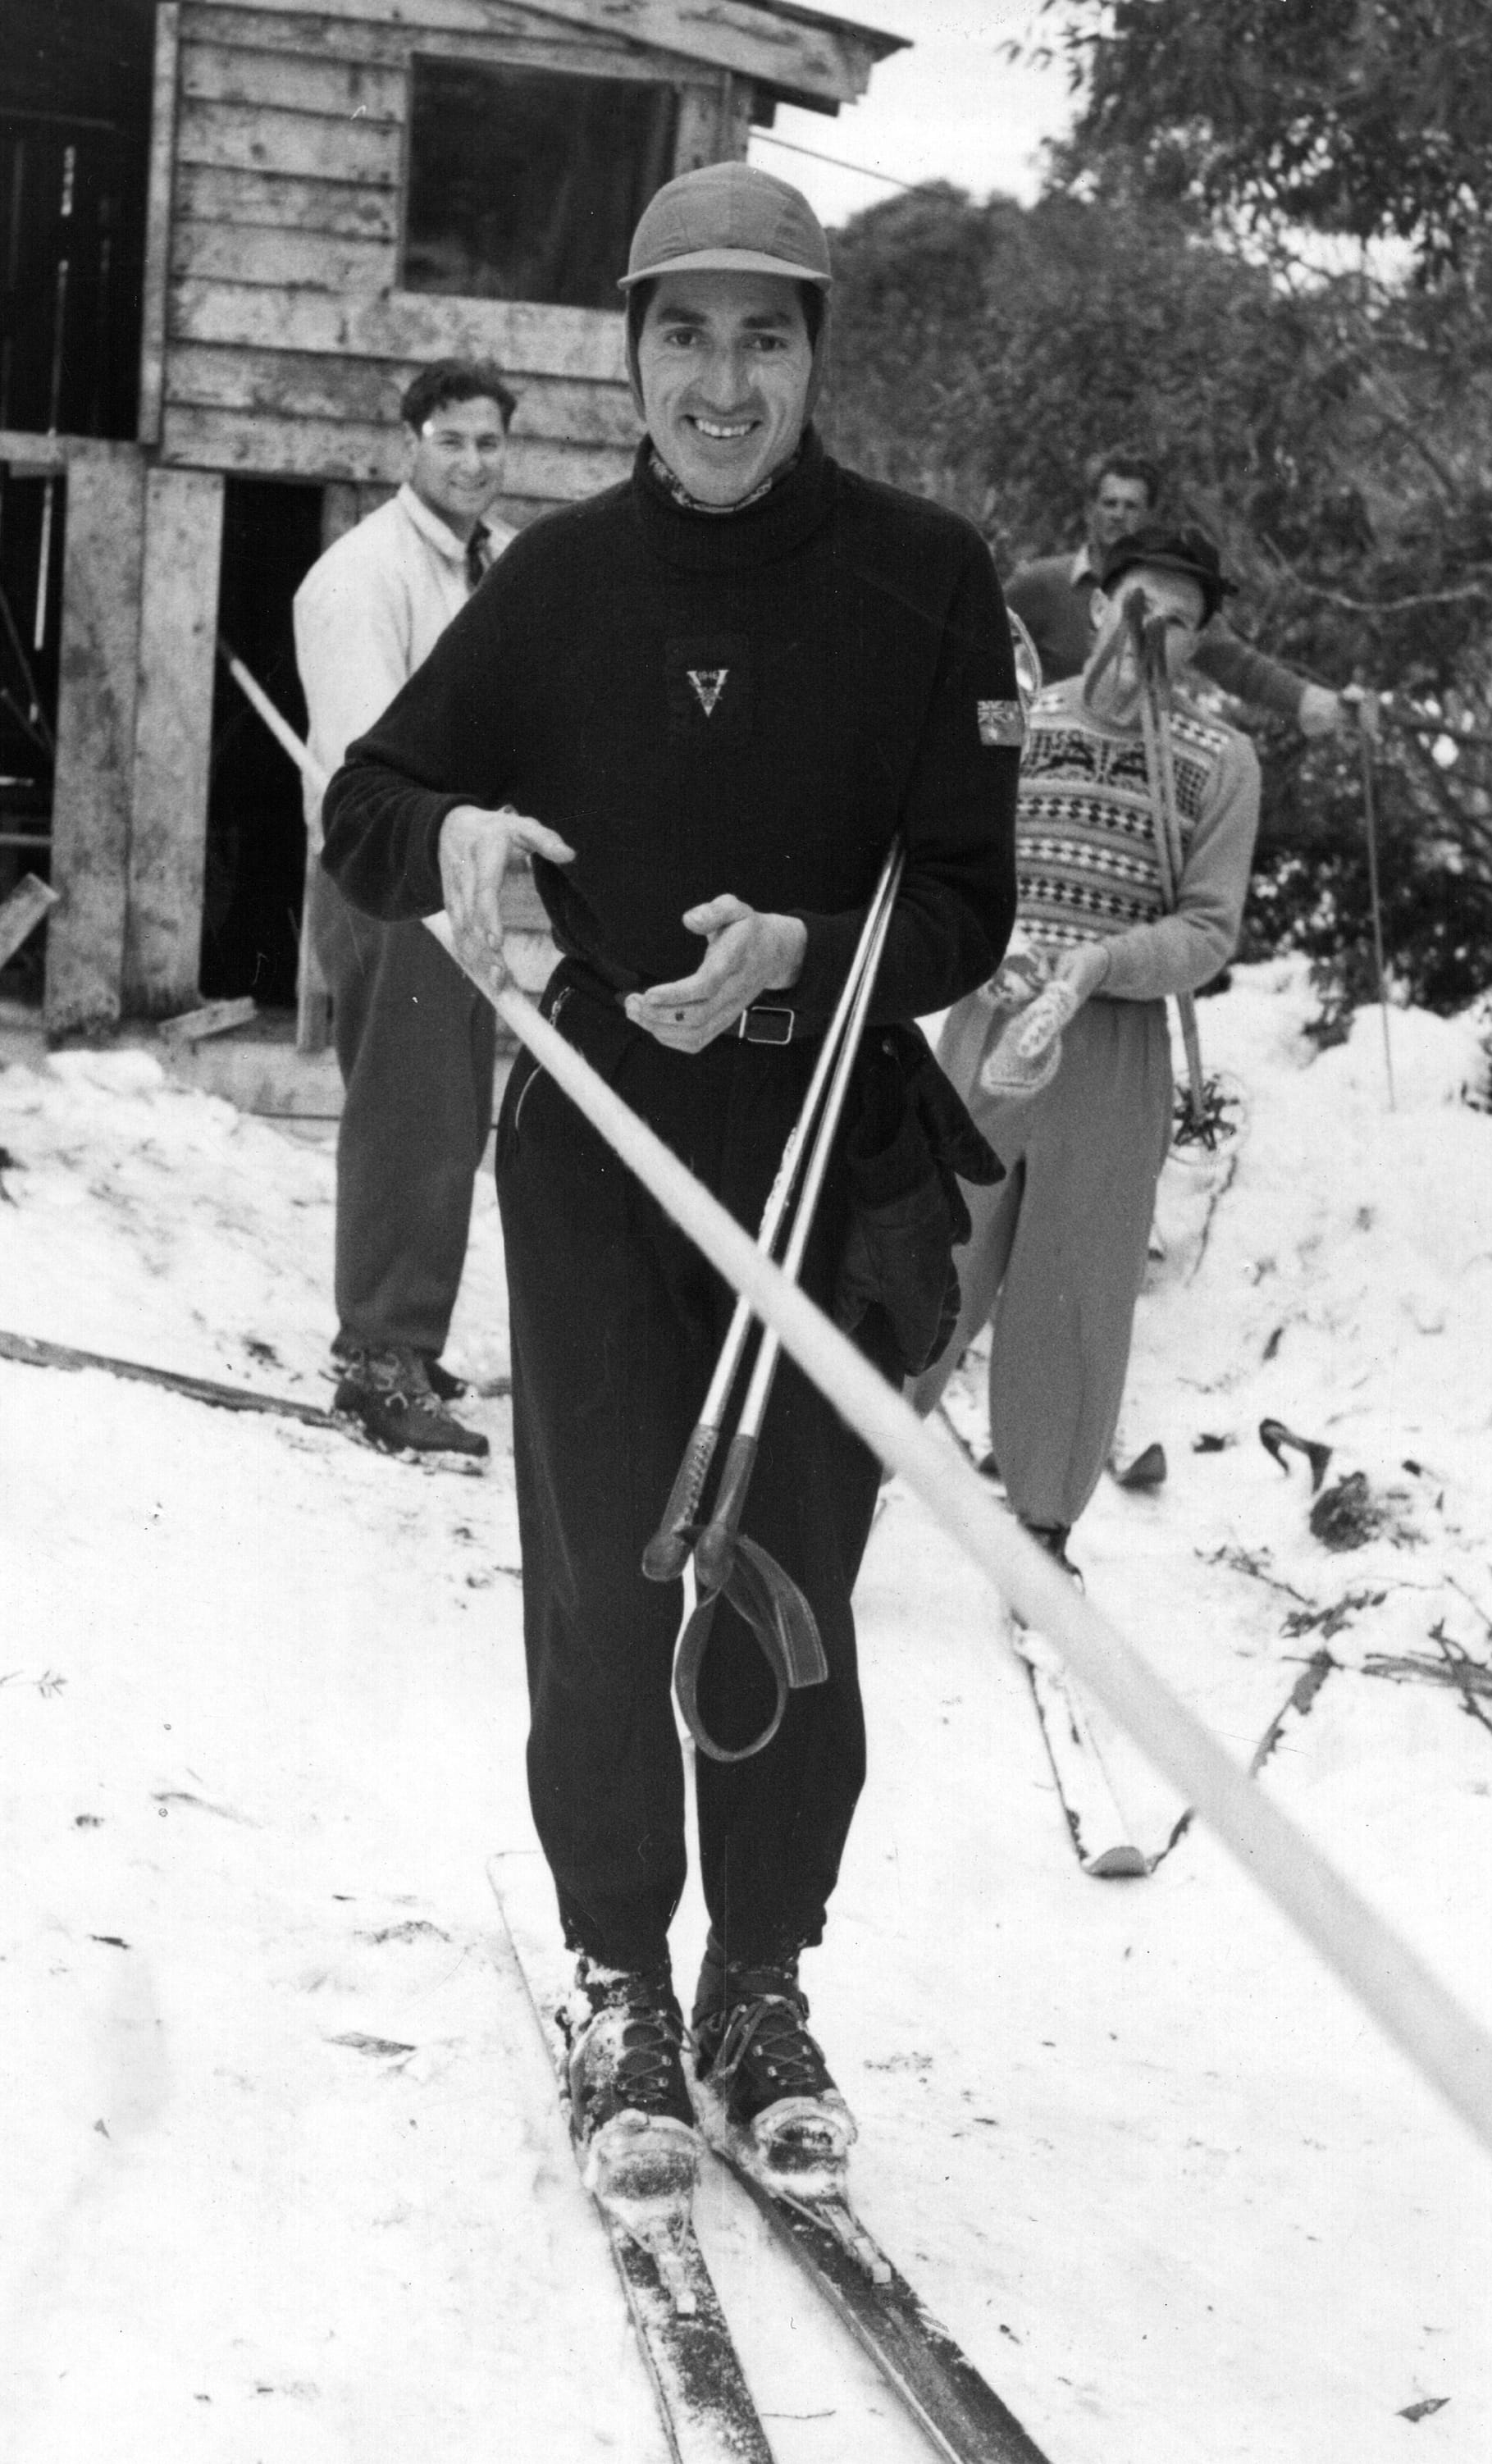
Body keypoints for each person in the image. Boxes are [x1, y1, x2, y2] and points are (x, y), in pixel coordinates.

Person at [319, 163, 1019, 2196]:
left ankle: (763, 1976)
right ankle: (621, 1973)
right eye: (684, 336)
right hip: (603, 1149)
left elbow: (969, 894)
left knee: (786, 1564)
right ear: (628, 354)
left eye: (765, 335)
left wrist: (805, 954)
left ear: (815, 355)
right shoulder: (555, 585)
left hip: (817, 1145)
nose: (724, 382)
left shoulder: (923, 578)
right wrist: (452, 842)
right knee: (603, 1560)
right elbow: (370, 802)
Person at [913, 522, 1261, 1564]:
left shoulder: (1217, 759)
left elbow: (1208, 929)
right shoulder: (1015, 716)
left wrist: (1099, 966)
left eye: (1182, 622)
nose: (1151, 633)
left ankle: (1041, 1526)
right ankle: (840, 1472)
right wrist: (983, 941)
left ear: (1199, 643)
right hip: (990, 1020)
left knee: (1075, 1282)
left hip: (1108, 1050)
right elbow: (939, 830)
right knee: (925, 1248)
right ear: (1098, 604)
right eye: (1136, 606)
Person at [294, 359, 521, 1456]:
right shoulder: (362, 577)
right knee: (408, 1119)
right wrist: (438, 866)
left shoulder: (496, 569)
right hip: (391, 879)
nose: (472, 461)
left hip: (462, 876)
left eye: (489, 442)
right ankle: (381, 1364)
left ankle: (407, 1337)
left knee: (449, 1121)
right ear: (408, 445)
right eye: (451, 440)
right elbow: (359, 765)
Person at [1005, 449, 1344, 736]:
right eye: (1110, 503)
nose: (1118, 515)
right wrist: (997, 740)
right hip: (1045, 754)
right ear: (1090, 510)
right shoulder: (1041, 583)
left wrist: (1312, 700)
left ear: (1149, 516)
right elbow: (976, 654)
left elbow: (1238, 665)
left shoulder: (1171, 597)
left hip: (1135, 755)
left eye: (1131, 506)